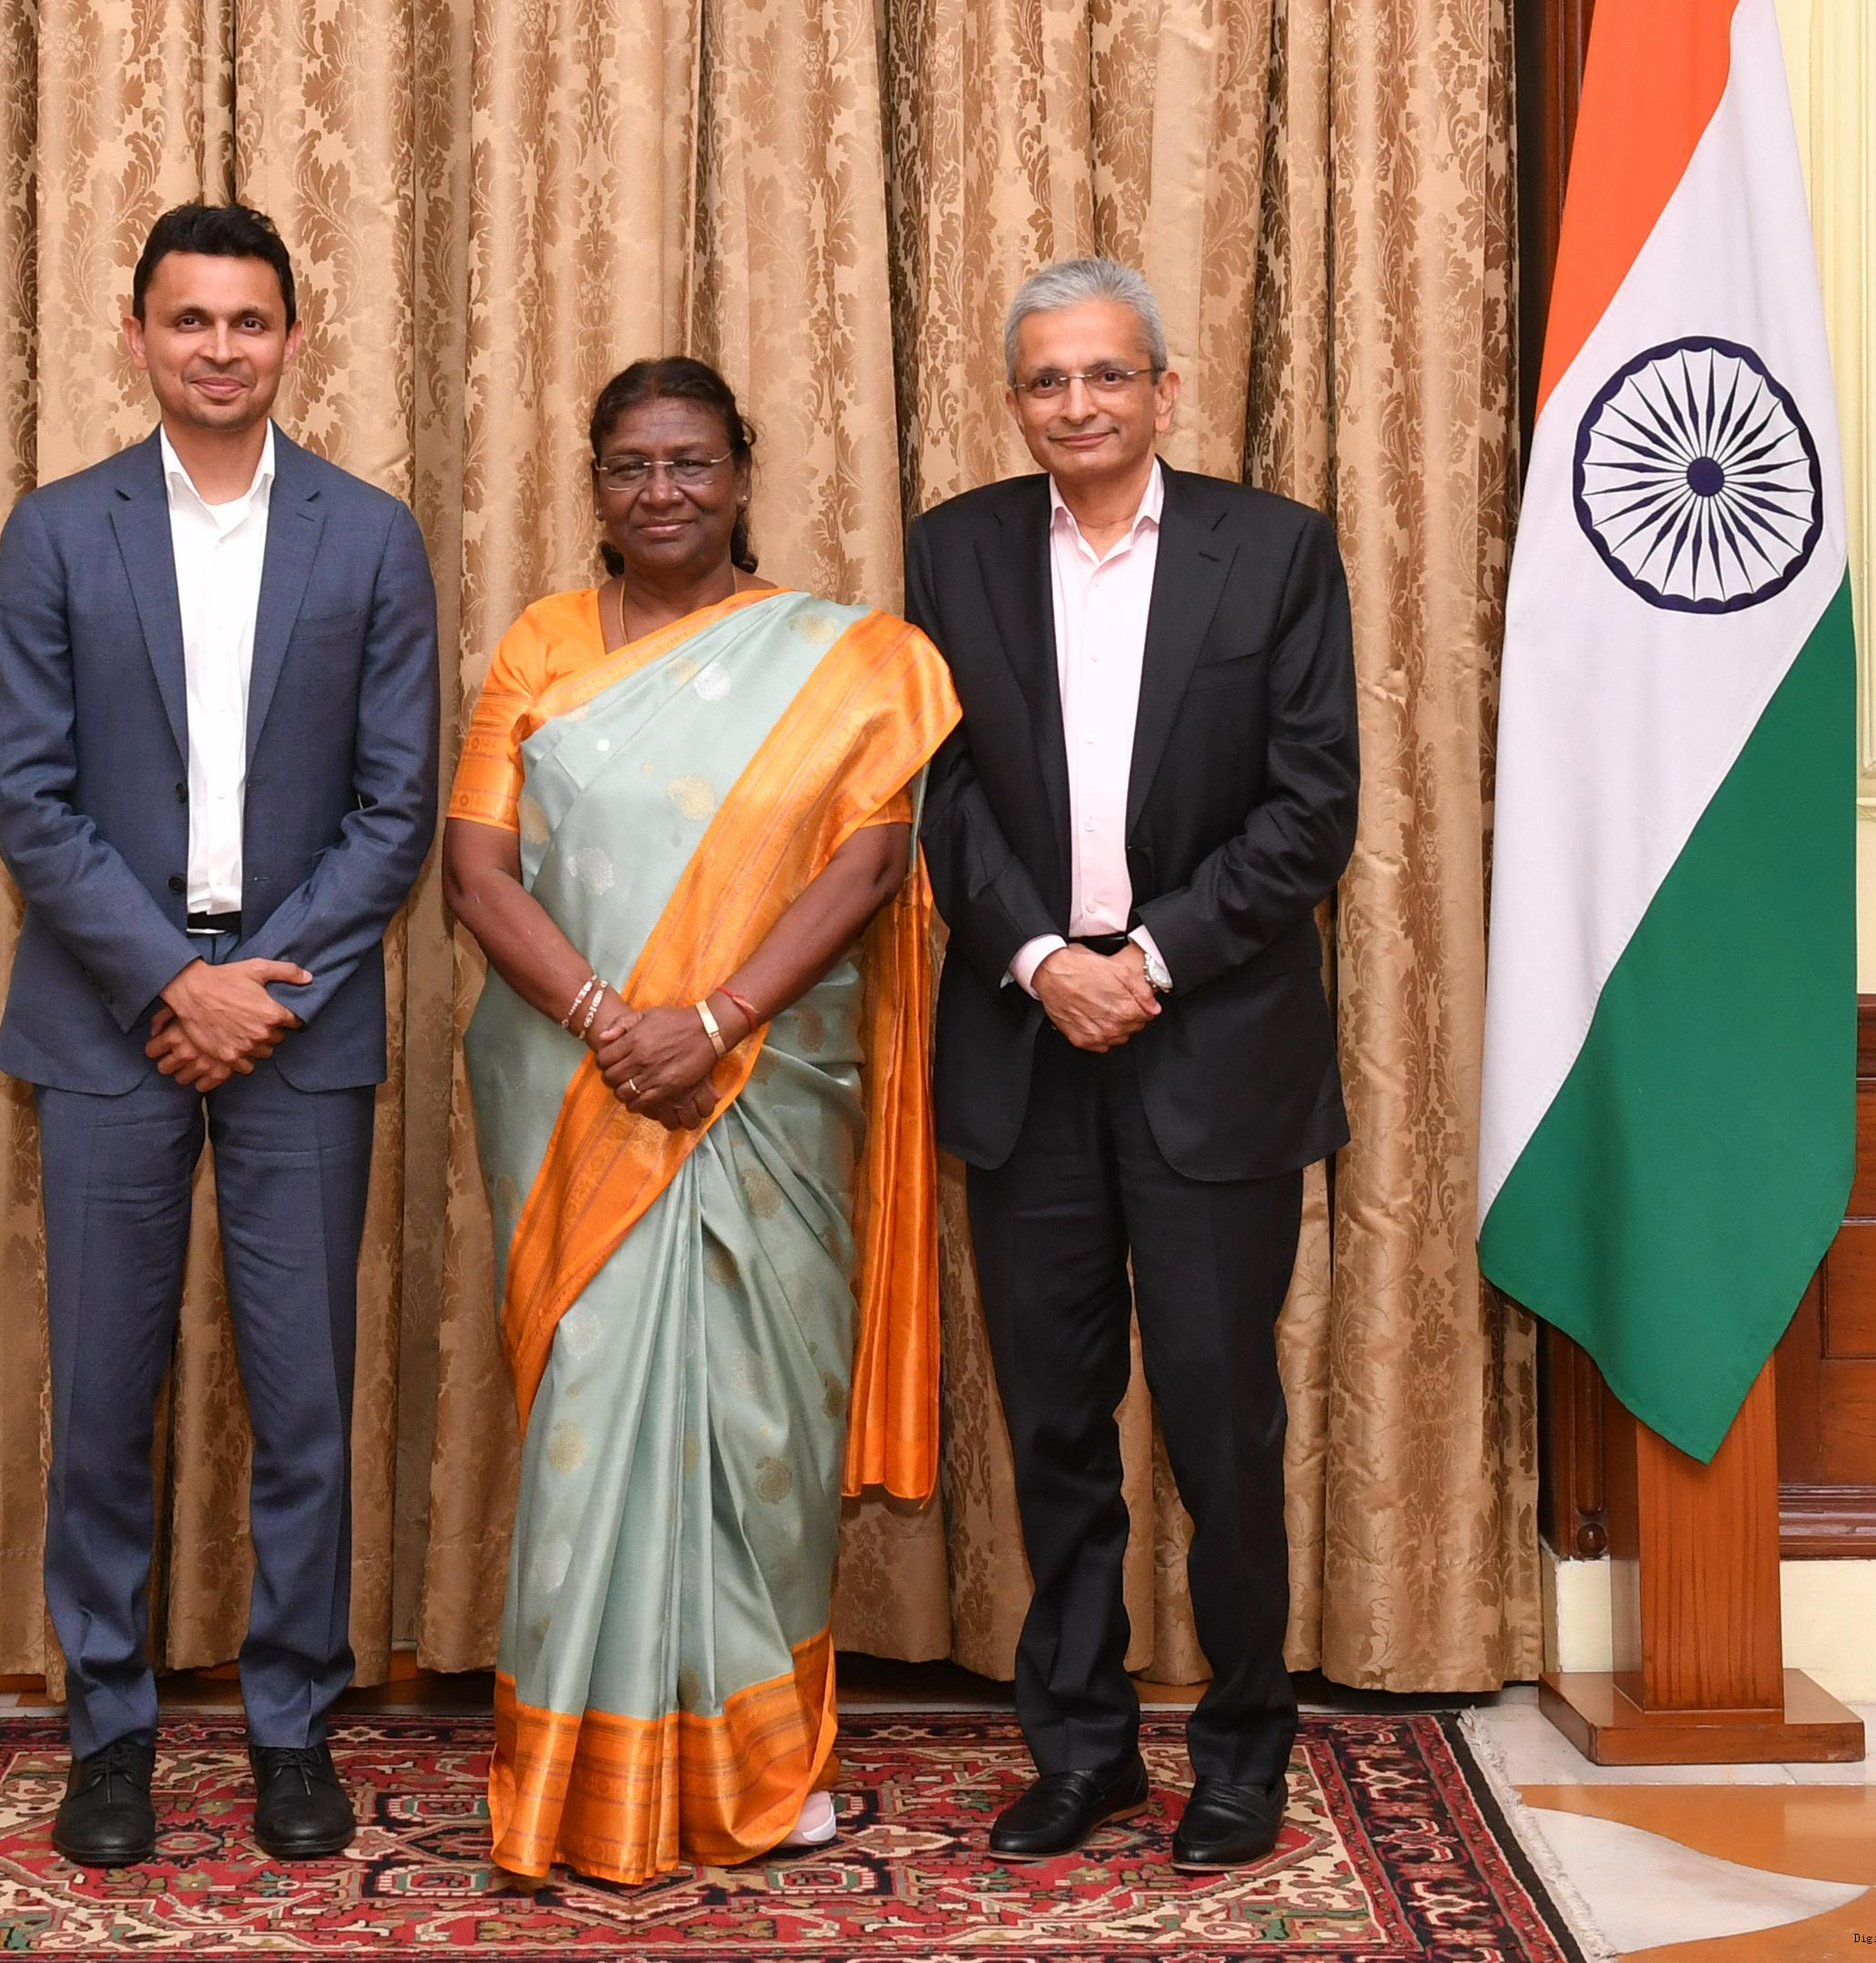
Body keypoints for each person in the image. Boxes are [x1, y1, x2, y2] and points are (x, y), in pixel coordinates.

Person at [444, 358, 959, 1886]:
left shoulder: (847, 663)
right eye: (630, 466)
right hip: (574, 1094)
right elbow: (476, 871)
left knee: (756, 1431)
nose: (661, 490)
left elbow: (868, 866)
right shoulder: (541, 643)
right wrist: (612, 1022)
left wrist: (717, 1022)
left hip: (771, 1098)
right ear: (595, 486)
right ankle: (581, 1771)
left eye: (689, 461)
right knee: (592, 1427)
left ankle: (760, 1761)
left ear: (742, 471)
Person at [0, 203, 440, 1868]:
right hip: (111, 1024)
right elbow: (29, 800)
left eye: (250, 321)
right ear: (139, 337)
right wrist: (174, 983)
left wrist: (258, 985)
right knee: (104, 1400)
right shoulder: (57, 532)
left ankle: (292, 1729)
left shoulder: (370, 537)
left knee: (303, 1400)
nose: (221, 349)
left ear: (293, 339)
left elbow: (398, 807)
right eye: (191, 321)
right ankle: (109, 1735)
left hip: (300, 1024)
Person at [909, 259, 1357, 1874]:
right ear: (1013, 401)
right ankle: (1084, 1749)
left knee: (1223, 1425)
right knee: (1054, 1427)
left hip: (1211, 1048)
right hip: (1025, 1046)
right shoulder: (954, 549)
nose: (1078, 405)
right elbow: (940, 790)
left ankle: (1241, 1753)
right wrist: (1042, 959)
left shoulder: (1276, 549)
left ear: (1164, 389)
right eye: (1048, 381)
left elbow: (1312, 808)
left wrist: (1145, 961)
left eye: (1108, 375)